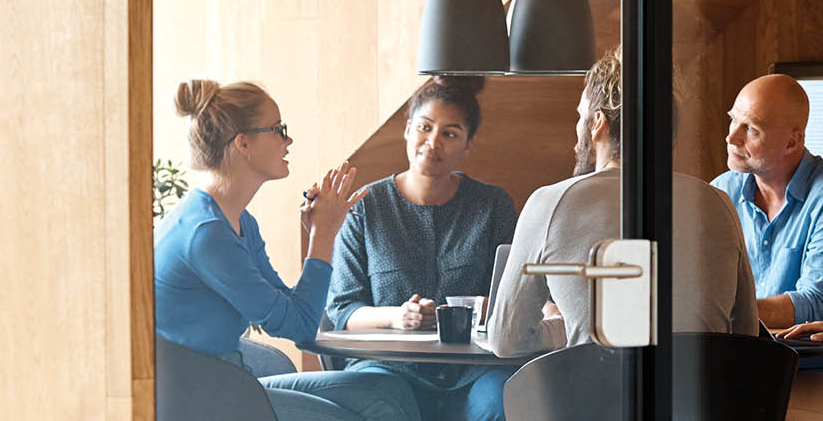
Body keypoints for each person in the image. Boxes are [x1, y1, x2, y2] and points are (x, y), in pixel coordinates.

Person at [155, 79, 421, 421]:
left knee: (386, 392)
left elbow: (291, 308)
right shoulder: (207, 235)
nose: (288, 139)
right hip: (199, 397)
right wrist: (324, 237)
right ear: (244, 143)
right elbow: (299, 327)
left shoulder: (238, 222)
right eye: (278, 129)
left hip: (229, 380)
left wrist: (318, 235)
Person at [486, 47, 759, 358]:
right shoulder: (719, 203)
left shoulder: (550, 203)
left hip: (599, 403)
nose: (577, 132)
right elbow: (746, 332)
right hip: (700, 402)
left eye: (580, 116)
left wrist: (566, 326)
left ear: (598, 123)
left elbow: (506, 340)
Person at [327, 79, 518, 421]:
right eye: (425, 127)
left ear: (468, 144)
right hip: (387, 368)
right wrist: (397, 317)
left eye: (450, 133)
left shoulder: (493, 206)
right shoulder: (364, 207)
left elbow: (515, 297)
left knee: (500, 401)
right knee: (380, 400)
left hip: (475, 369)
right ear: (407, 129)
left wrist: (490, 307)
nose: (432, 142)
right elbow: (342, 309)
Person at [710, 74, 823, 328]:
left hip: (805, 363)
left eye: (750, 129)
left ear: (792, 142)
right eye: (733, 120)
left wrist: (725, 311)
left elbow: (817, 303)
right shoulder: (719, 192)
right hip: (734, 355)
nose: (732, 138)